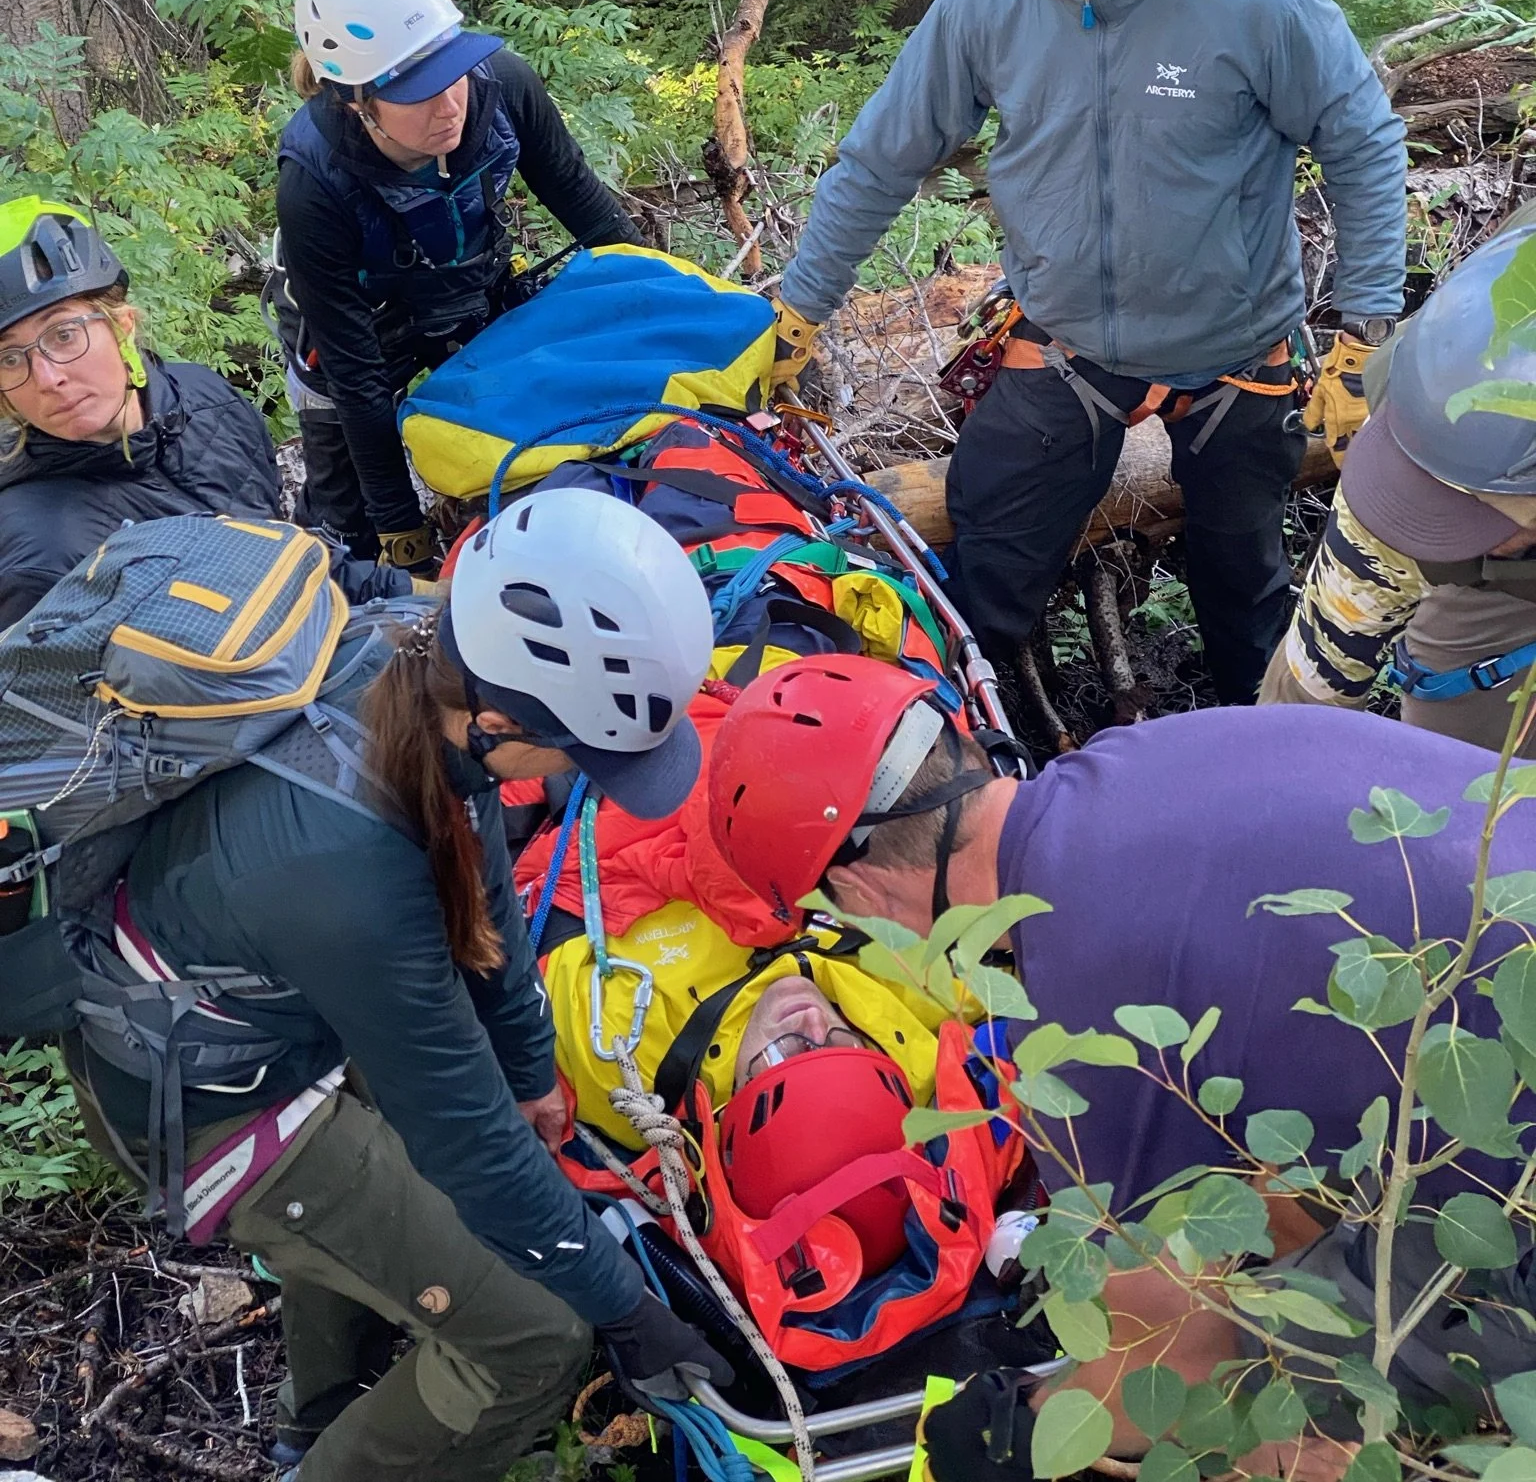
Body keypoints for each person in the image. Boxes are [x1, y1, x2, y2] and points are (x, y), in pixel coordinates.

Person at [64, 490, 729, 1482]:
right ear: (497, 723)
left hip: (250, 1008)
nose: (585, 775)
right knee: (537, 1340)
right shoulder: (348, 876)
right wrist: (626, 1310)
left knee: (413, 1177)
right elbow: (466, 1139)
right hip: (199, 1097)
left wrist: (531, 1071)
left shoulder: (406, 651)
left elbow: (481, 880)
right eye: (581, 753)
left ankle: (321, 1414)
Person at [707, 655, 1536, 1450]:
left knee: (1268, 1386)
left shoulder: (1085, 1005)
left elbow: (1167, 1348)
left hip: (1518, 1166)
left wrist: (1018, 1428)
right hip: (1503, 946)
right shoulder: (1145, 754)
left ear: (859, 890)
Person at [769, 0, 1407, 702]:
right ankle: (984, 748)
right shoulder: (989, 0)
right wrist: (800, 309)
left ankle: (1260, 756)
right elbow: (883, 158)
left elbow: (1361, 139)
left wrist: (1367, 329)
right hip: (1064, 346)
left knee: (1245, 596)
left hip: (1238, 356)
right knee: (985, 577)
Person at [278, 0, 639, 575]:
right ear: (355, 100)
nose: (449, 104)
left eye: (455, 71)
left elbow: (594, 217)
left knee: (529, 449)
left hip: (473, 286)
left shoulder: (505, 86)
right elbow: (356, 378)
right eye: (416, 92)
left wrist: (676, 313)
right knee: (350, 530)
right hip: (358, 323)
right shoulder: (314, 181)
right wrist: (402, 536)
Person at [1263, 215, 1536, 753]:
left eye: (1474, 515)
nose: (1429, 520)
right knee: (1454, 760)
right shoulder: (1421, 414)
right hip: (1502, 580)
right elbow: (1312, 684)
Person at [0, 197, 282, 628]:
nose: (47, 378)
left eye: (64, 335)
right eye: (10, 358)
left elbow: (286, 550)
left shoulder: (208, 398)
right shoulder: (43, 556)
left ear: (123, 326)